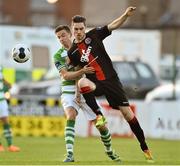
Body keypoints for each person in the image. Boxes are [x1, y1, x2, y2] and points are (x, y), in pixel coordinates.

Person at [67, 7, 154, 162]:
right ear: (72, 29)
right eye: (76, 29)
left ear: (84, 28)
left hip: (111, 81)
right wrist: (77, 92)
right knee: (82, 82)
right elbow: (79, 71)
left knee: (128, 115)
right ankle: (99, 115)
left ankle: (145, 147)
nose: (79, 31)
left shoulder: (93, 35)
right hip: (95, 84)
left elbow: (112, 25)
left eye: (81, 28)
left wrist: (125, 15)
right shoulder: (72, 52)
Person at [54, 25, 121, 162]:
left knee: (101, 125)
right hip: (68, 90)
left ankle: (109, 150)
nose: (61, 39)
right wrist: (82, 72)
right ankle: (70, 154)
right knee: (70, 115)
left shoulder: (80, 49)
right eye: (58, 37)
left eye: (63, 35)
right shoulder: (57, 55)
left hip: (84, 90)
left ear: (69, 34)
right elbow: (66, 76)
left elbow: (86, 70)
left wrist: (80, 90)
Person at [0, 66, 20, 152]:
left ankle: (10, 145)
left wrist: (6, 83)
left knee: (5, 120)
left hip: (2, 98)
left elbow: (1, 77)